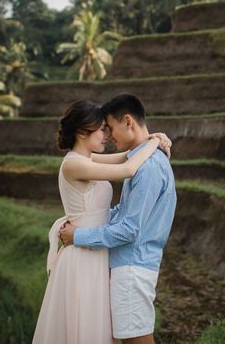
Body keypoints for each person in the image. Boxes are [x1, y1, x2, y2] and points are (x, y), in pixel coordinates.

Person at [33, 99, 171, 344]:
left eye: (107, 128)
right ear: (82, 130)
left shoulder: (88, 160)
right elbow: (128, 168)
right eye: (100, 128)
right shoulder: (74, 163)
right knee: (83, 327)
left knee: (96, 329)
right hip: (83, 255)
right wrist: (154, 142)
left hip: (98, 253)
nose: (105, 135)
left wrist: (155, 139)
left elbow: (128, 157)